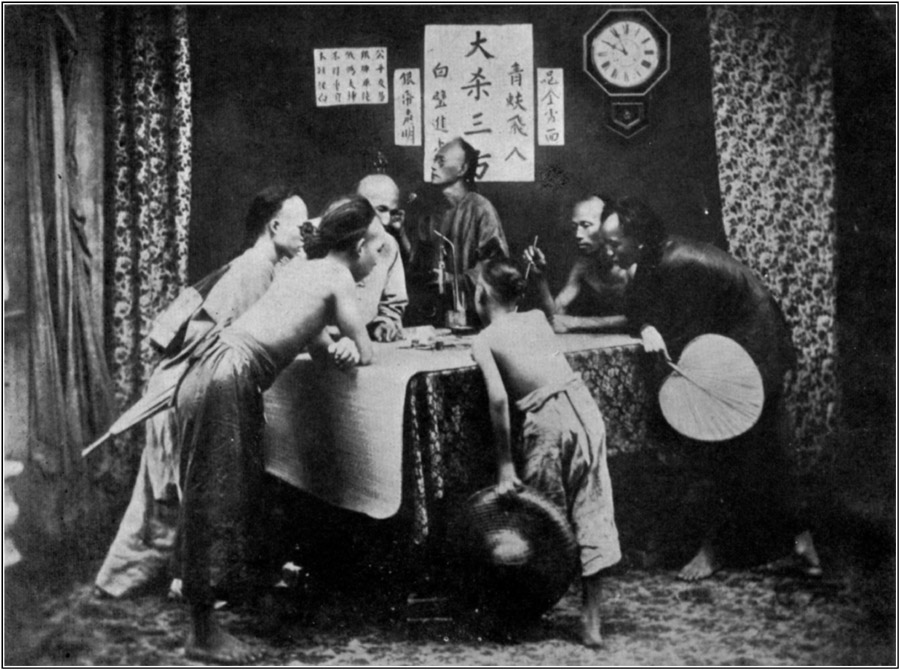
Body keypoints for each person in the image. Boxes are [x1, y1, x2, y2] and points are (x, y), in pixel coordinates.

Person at [175, 196, 385, 663]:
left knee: (217, 492)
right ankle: (203, 634)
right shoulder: (338, 278)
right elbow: (367, 351)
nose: (378, 258)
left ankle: (208, 621)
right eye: (377, 248)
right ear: (357, 247)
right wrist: (354, 348)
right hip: (230, 374)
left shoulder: (303, 270)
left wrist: (339, 349)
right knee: (220, 497)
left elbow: (317, 341)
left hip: (214, 364)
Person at [94, 185, 309, 599]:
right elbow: (243, 343)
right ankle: (184, 580)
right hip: (187, 384)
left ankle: (146, 578)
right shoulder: (254, 270)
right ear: (274, 226)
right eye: (300, 225)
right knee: (190, 492)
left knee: (172, 496)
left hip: (193, 380)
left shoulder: (260, 266)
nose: (306, 234)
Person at [604, 195, 821, 581]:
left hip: (756, 344)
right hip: (738, 340)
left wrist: (657, 332)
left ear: (637, 239)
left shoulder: (678, 263)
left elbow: (690, 340)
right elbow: (637, 307)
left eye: (614, 243)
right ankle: (801, 546)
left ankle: (715, 549)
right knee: (762, 449)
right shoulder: (653, 259)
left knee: (725, 447)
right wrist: (647, 327)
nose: (608, 252)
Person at [470, 258, 621, 648]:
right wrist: (539, 279)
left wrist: (505, 465)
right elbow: (551, 315)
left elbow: (498, 399)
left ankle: (531, 609)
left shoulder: (483, 339)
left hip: (548, 421)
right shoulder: (537, 318)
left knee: (542, 517)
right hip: (584, 409)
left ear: (481, 294)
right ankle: (591, 620)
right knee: (591, 507)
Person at [408, 137, 509, 325]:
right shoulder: (429, 212)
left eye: (441, 161)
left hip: (475, 318)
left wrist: (450, 280)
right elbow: (417, 264)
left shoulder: (481, 209)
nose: (433, 166)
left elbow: (496, 270)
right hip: (434, 317)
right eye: (434, 160)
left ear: (462, 169)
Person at [523, 194, 629, 333]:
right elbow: (556, 316)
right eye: (574, 227)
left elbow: (639, 317)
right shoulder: (584, 265)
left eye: (586, 225)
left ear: (606, 224)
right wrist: (540, 277)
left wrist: (576, 322)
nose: (577, 235)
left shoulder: (629, 263)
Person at [355, 174, 409, 342]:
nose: (386, 221)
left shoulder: (389, 245)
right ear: (357, 204)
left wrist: (384, 323)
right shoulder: (318, 238)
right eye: (381, 209)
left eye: (392, 212)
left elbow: (393, 304)